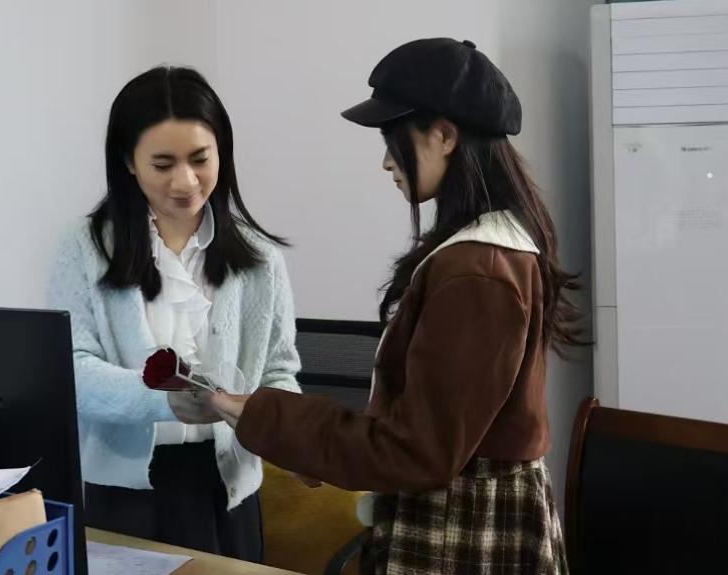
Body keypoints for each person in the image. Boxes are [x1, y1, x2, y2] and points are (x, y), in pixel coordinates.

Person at [208, 38, 583, 574]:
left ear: (445, 135)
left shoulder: (477, 272)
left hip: (462, 526)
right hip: (469, 510)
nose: (387, 161)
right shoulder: (487, 250)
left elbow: (416, 451)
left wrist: (268, 417)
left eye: (393, 138)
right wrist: (312, 444)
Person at [48, 66, 301, 562]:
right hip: (124, 489)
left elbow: (279, 370)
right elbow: (71, 369)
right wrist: (161, 400)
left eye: (200, 159)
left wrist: (288, 432)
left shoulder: (260, 259)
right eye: (162, 164)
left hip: (226, 487)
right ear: (128, 161)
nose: (185, 182)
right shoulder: (84, 248)